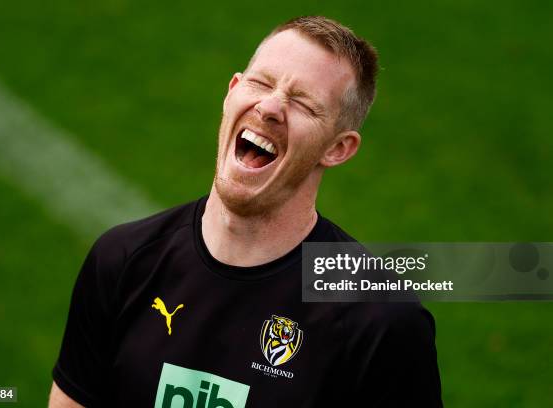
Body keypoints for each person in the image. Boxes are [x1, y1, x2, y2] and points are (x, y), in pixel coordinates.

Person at [49, 15, 443, 407]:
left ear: (338, 148)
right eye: (261, 83)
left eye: (304, 103)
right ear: (232, 90)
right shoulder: (122, 260)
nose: (271, 107)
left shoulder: (379, 323)